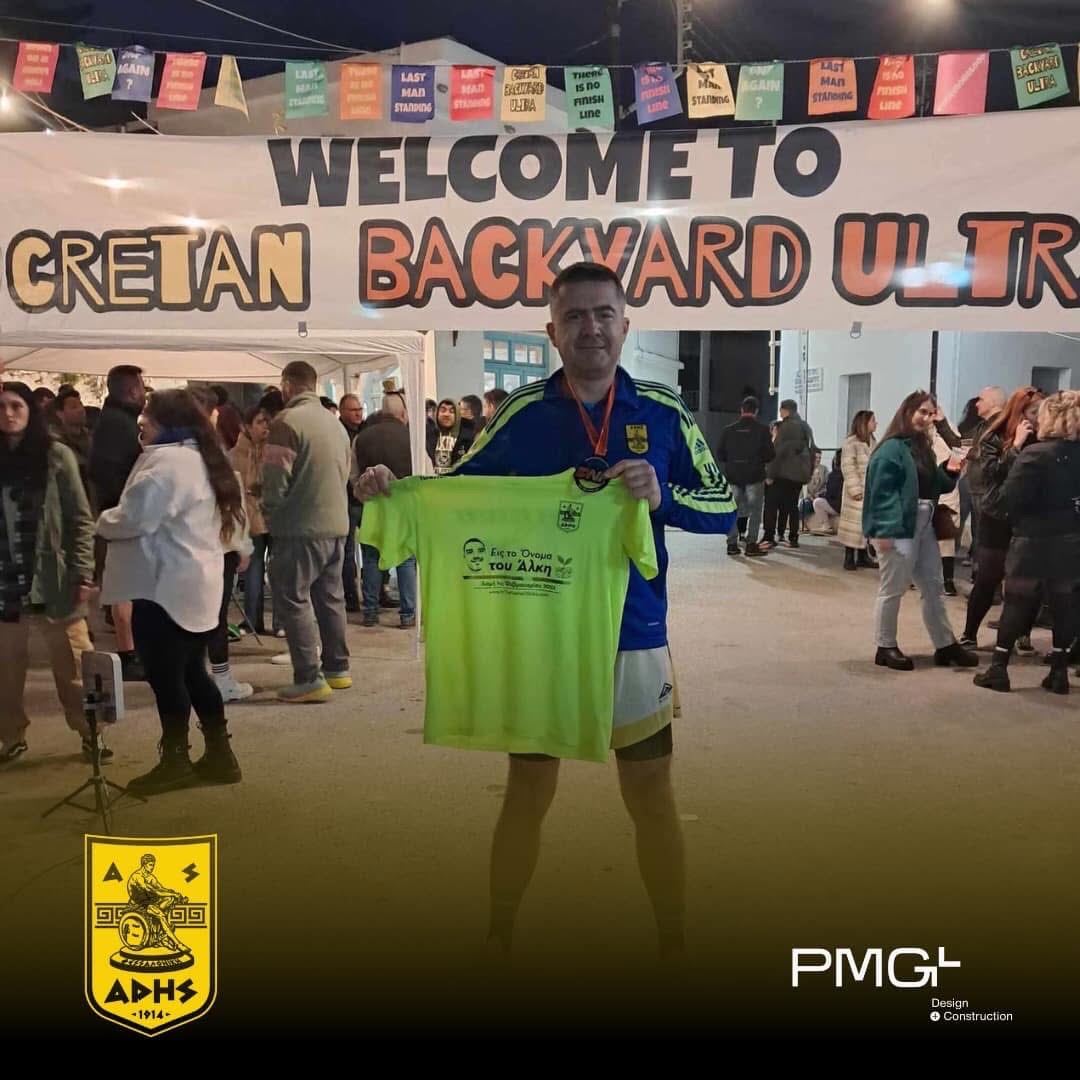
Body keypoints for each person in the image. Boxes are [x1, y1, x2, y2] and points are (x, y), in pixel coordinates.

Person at [355, 262, 736, 959]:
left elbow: (724, 507)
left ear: (625, 323)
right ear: (552, 332)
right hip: (542, 633)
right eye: (574, 316)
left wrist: (663, 495)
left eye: (604, 313)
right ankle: (499, 931)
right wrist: (390, 489)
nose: (591, 328)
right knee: (528, 787)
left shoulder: (662, 410)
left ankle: (673, 939)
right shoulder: (522, 413)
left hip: (634, 634)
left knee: (650, 794)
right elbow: (455, 493)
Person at [97, 389, 244, 794]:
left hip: (164, 588)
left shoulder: (168, 464)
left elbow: (134, 519)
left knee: (166, 677)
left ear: (166, 421)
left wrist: (102, 521)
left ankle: (176, 761)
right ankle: (220, 756)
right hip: (194, 585)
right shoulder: (202, 457)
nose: (141, 421)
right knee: (194, 671)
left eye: (147, 414)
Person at [0, 382, 103, 765]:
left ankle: (92, 732)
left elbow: (80, 518)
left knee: (74, 664)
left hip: (54, 579)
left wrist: (83, 572)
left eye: (16, 405)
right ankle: (10, 736)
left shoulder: (56, 455)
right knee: (5, 672)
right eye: (1, 407)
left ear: (30, 409)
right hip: (6, 582)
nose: (8, 414)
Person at [862, 391, 977, 672]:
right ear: (907, 412)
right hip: (899, 526)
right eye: (921, 412)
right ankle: (885, 646)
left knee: (933, 586)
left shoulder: (922, 446)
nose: (926, 418)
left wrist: (950, 470)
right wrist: (883, 532)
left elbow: (936, 485)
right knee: (893, 588)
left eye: (930, 413)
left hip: (924, 524)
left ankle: (945, 644)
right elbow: (880, 494)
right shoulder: (891, 449)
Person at [974, 392, 1080, 694]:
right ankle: (1058, 672)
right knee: (1064, 603)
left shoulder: (1035, 455)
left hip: (1032, 538)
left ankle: (998, 669)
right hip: (1071, 539)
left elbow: (1007, 502)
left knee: (1017, 602)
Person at [262, 361, 351, 704]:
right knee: (331, 598)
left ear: (287, 385)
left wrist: (269, 511)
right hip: (336, 525)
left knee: (293, 598)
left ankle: (308, 678)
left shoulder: (286, 422)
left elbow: (275, 478)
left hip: (299, 527)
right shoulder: (335, 424)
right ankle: (337, 669)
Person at [959, 387, 1044, 650]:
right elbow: (991, 473)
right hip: (998, 514)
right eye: (1033, 412)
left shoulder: (1044, 437)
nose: (1038, 417)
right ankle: (969, 634)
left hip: (1030, 517)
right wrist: (1016, 445)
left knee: (1029, 582)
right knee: (988, 577)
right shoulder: (994, 435)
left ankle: (1022, 635)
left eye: (1041, 411)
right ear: (1020, 411)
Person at [89, 364, 146, 682]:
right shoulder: (117, 425)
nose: (144, 393)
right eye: (142, 387)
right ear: (131, 390)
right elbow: (113, 477)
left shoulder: (115, 422)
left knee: (125, 587)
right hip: (119, 518)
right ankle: (128, 655)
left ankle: (132, 652)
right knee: (123, 588)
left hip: (117, 515)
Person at [350, 391, 417, 629]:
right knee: (405, 558)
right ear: (402, 413)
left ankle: (370, 611)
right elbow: (424, 473)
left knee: (371, 557)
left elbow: (353, 475)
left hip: (372, 506)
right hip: (403, 505)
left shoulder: (362, 438)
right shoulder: (412, 437)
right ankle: (407, 614)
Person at [231, 404, 279, 636]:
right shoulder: (237, 453)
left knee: (278, 570)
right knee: (253, 568)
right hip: (250, 516)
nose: (265, 427)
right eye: (260, 422)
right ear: (246, 426)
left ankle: (281, 622)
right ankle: (252, 620)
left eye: (267, 422)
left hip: (275, 514)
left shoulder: (274, 450)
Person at [715, 394, 774, 556]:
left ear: (741, 410)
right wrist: (757, 460)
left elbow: (720, 454)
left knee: (731, 510)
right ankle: (751, 544)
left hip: (733, 476)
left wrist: (733, 461)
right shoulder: (762, 430)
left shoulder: (728, 430)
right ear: (756, 411)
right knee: (755, 511)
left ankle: (732, 544)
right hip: (755, 476)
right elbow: (770, 454)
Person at [761, 399, 815, 549]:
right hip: (798, 476)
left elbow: (777, 453)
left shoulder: (785, 427)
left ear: (786, 410)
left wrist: (770, 474)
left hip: (782, 474)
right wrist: (808, 473)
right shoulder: (805, 427)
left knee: (771, 505)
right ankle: (793, 537)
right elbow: (812, 450)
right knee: (792, 506)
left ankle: (769, 536)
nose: (779, 412)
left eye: (781, 409)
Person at [931, 400, 962, 596]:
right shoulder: (915, 430)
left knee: (946, 537)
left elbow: (959, 449)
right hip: (924, 489)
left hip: (946, 489)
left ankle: (948, 579)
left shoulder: (948, 428)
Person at [839, 410, 877, 571]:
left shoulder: (873, 442)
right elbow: (848, 467)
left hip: (869, 489)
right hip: (856, 490)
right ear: (864, 423)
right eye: (873, 420)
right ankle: (849, 557)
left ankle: (862, 556)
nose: (876, 423)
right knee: (853, 526)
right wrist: (855, 489)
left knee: (865, 525)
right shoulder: (851, 443)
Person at [338, 394, 365, 614]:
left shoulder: (366, 432)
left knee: (371, 547)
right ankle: (350, 597)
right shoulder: (337, 433)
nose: (358, 414)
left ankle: (375, 592)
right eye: (353, 410)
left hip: (365, 499)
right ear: (342, 411)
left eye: (359, 409)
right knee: (347, 552)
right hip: (345, 499)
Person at [50, 385, 93, 500]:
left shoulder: (89, 437)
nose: (81, 410)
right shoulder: (56, 443)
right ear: (60, 414)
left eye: (81, 405)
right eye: (74, 407)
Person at [427, 399, 474, 475]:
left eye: (452, 411)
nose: (446, 414)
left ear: (457, 415)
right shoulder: (428, 436)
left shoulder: (468, 438)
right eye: (443, 410)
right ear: (437, 414)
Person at [811, 450, 843, 535]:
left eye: (819, 458)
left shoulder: (833, 474)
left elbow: (830, 494)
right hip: (844, 505)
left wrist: (821, 494)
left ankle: (826, 526)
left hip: (838, 506)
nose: (818, 460)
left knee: (817, 502)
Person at [800, 450, 828, 533]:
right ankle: (801, 523)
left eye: (820, 458)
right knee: (805, 503)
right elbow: (803, 486)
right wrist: (809, 496)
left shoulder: (824, 469)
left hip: (819, 495)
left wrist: (819, 493)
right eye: (816, 458)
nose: (818, 460)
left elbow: (827, 485)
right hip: (808, 496)